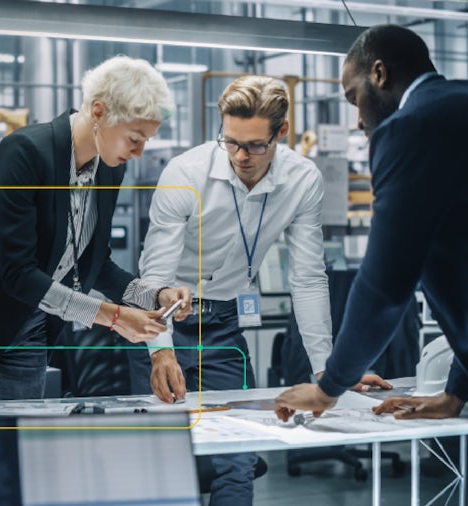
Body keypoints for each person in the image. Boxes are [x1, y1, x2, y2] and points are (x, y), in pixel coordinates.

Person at [273, 24, 468, 504]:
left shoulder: (410, 128)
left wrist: (329, 388)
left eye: (354, 98)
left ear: (379, 74)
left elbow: (386, 284)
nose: (359, 119)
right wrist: (455, 392)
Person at [126, 75, 389, 506]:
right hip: (163, 322)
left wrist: (327, 368)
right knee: (162, 459)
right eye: (230, 142)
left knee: (238, 457)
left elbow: (306, 278)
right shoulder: (185, 173)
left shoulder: (302, 180)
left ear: (280, 132)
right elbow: (153, 273)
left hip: (225, 325)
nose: (240, 156)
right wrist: (160, 350)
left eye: (254, 145)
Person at [0, 55, 192, 404]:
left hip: (30, 331)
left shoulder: (109, 169)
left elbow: (95, 263)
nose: (139, 152)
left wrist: (154, 296)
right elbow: (17, 274)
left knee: (16, 448)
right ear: (98, 112)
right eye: (134, 138)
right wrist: (114, 316)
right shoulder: (25, 153)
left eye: (146, 141)